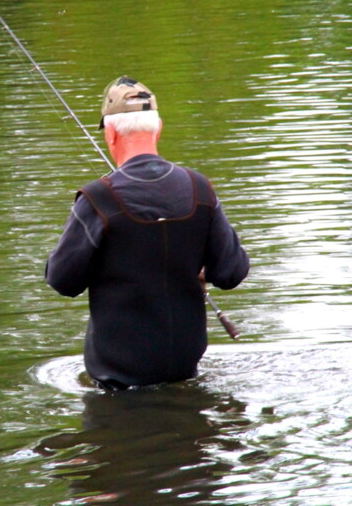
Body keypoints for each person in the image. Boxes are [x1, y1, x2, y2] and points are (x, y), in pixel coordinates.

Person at [45, 76, 249, 390]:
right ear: (158, 128)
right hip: (185, 368)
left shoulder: (97, 199)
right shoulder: (200, 189)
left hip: (117, 381)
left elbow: (62, 280)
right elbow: (232, 272)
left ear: (111, 133)